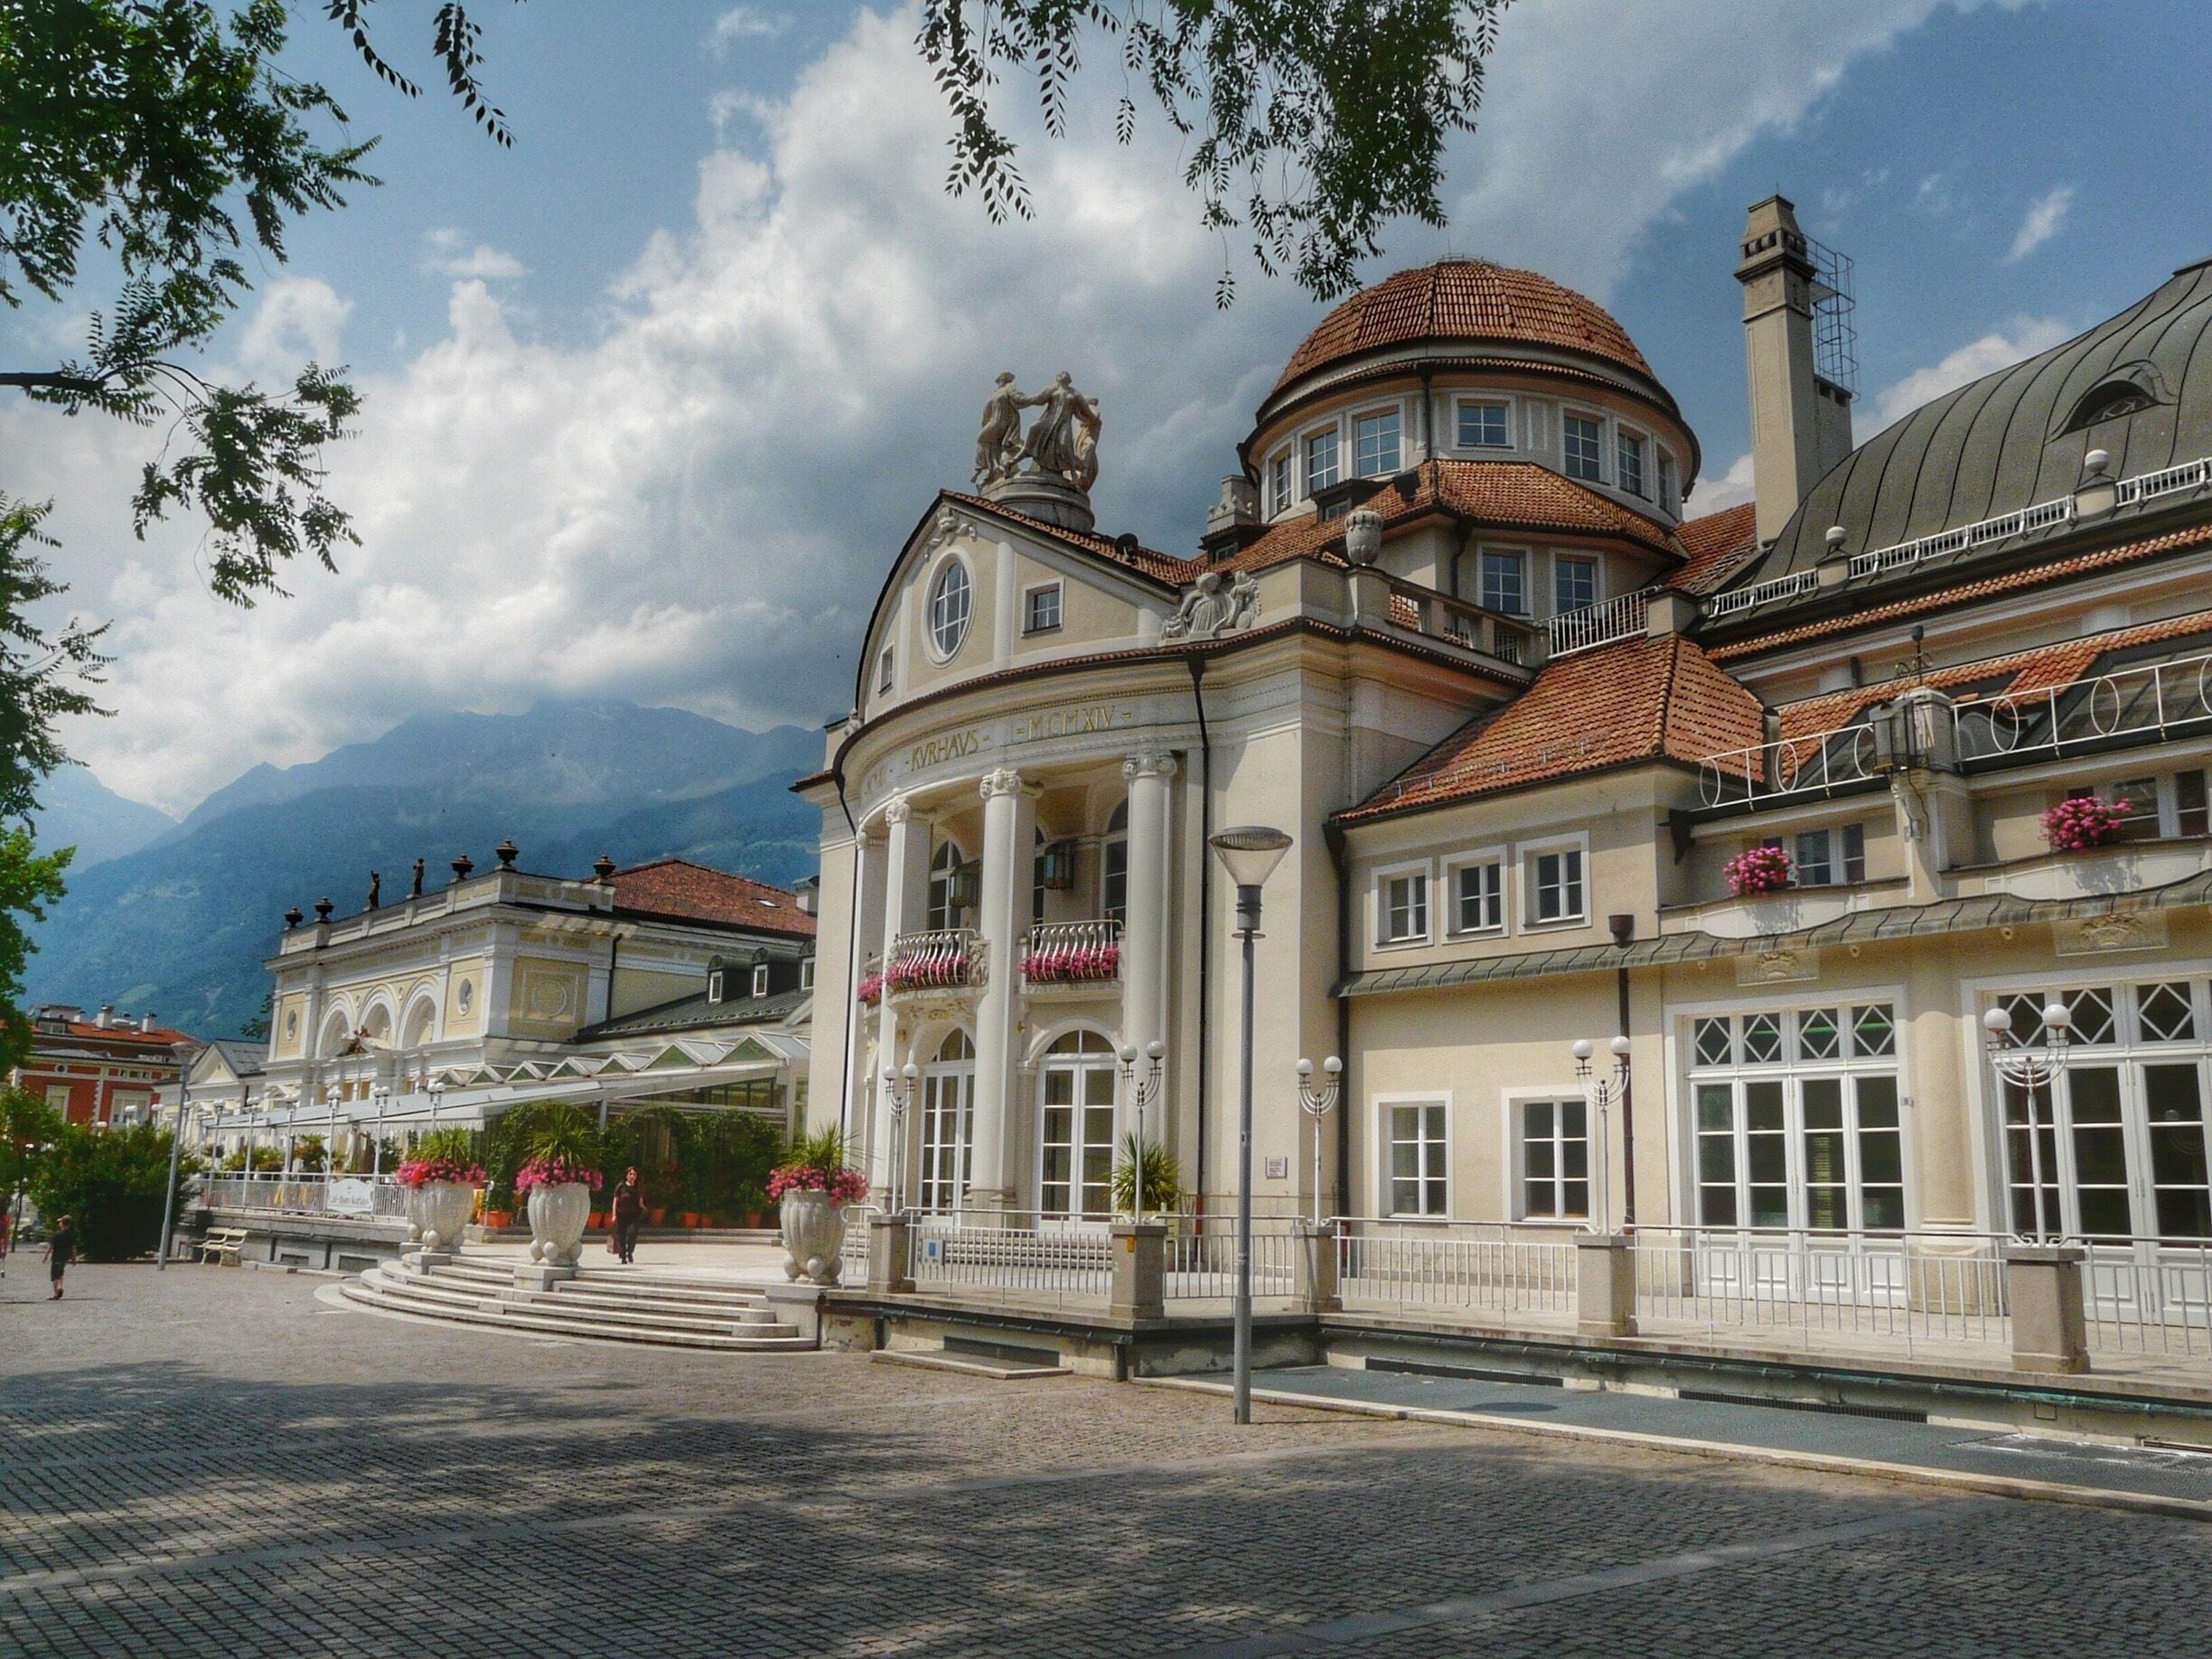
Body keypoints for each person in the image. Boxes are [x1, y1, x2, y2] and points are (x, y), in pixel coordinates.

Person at [610, 1168, 644, 1265]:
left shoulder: (637, 1187)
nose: (632, 1176)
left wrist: (643, 1207)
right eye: (630, 1174)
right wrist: (614, 1215)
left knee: (632, 1234)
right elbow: (615, 1201)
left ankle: (630, 1252)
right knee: (621, 1236)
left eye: (634, 1174)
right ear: (626, 1175)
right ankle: (623, 1256)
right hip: (621, 1215)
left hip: (634, 1215)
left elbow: (640, 1200)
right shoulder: (621, 1186)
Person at [42, 1214, 76, 1300]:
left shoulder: (57, 1234)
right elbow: (73, 1248)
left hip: (56, 1256)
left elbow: (51, 1247)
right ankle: (60, 1286)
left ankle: (57, 1292)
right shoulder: (71, 1235)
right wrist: (74, 1258)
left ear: (62, 1224)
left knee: (54, 1275)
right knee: (60, 1273)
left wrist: (46, 1256)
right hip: (65, 1257)